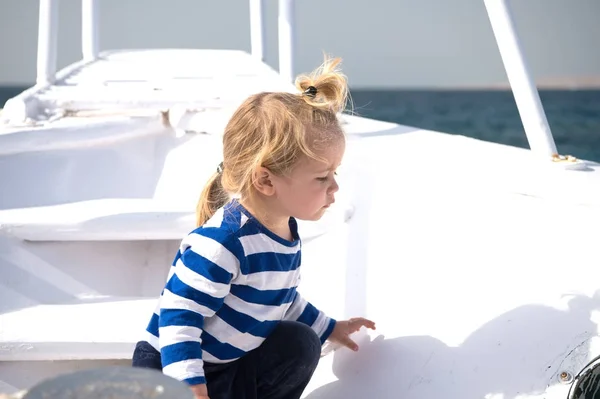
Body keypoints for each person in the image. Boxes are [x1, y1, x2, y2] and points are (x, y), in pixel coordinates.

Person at [131, 56, 376, 399]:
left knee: (301, 343)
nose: (334, 187)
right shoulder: (223, 243)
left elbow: (279, 299)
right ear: (265, 180)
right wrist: (190, 388)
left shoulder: (283, 229)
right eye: (322, 177)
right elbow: (178, 321)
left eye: (334, 173)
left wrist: (330, 328)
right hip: (171, 371)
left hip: (227, 364)